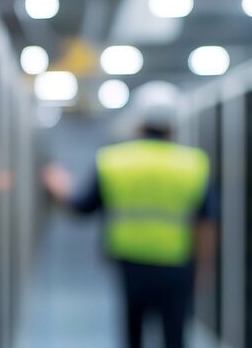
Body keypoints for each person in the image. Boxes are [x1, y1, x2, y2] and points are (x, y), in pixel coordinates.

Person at [43, 106, 216, 348]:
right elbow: (206, 222)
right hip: (176, 264)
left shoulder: (114, 161)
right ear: (174, 127)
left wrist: (58, 182)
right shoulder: (194, 163)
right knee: (175, 332)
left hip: (130, 262)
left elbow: (82, 206)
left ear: (138, 125)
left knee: (133, 330)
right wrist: (203, 269)